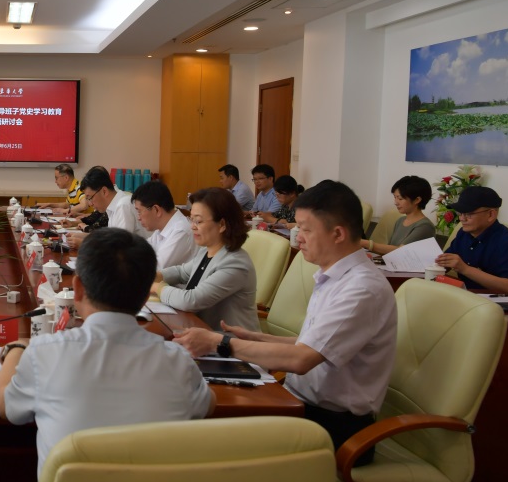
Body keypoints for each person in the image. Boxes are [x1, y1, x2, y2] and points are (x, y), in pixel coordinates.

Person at [174, 180, 397, 465]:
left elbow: (303, 359)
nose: (297, 238)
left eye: (305, 229)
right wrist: (256, 337)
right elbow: (314, 343)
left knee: (212, 433)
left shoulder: (361, 289)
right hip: (298, 400)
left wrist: (220, 342)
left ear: (338, 233)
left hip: (335, 425)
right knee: (198, 405)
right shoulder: (334, 277)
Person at [0, 227, 213, 478]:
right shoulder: (178, 361)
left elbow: (5, 406)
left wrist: (16, 348)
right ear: (146, 297)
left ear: (77, 288)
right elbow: (207, 405)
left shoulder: (44, 353)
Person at [151, 187, 259, 332]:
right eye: (191, 219)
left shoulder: (235, 263)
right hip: (201, 332)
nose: (192, 227)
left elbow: (191, 300)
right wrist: (154, 276)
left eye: (198, 221)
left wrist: (155, 287)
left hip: (230, 341)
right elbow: (182, 272)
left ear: (222, 225)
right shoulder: (207, 251)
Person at [436, 186, 508, 293]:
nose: (462, 219)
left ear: (491, 214)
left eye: (469, 214)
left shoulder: (506, 241)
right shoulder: (464, 233)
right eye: (460, 213)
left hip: (493, 301)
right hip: (465, 294)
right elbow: (446, 262)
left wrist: (465, 269)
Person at [360, 175, 436, 255]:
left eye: (400, 198)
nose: (396, 202)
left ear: (417, 200)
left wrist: (365, 243)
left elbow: (401, 251)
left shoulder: (425, 226)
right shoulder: (400, 221)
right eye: (395, 197)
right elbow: (389, 251)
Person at [131, 180, 197, 269]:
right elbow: (140, 252)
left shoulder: (181, 231)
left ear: (156, 210)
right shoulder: (161, 229)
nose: (138, 217)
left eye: (139, 211)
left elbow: (155, 268)